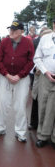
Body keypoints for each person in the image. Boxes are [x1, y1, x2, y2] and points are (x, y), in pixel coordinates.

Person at [0, 21, 34, 143]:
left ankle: (20, 132)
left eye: (15, 30)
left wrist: (20, 75)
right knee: (2, 103)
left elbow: (30, 61)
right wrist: (6, 74)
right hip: (5, 77)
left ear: (21, 31)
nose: (11, 32)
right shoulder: (5, 41)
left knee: (20, 105)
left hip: (22, 79)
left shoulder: (28, 42)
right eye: (11, 29)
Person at [33, 19, 55, 149]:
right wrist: (46, 72)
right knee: (43, 106)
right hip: (46, 77)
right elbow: (37, 57)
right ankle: (42, 135)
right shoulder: (45, 39)